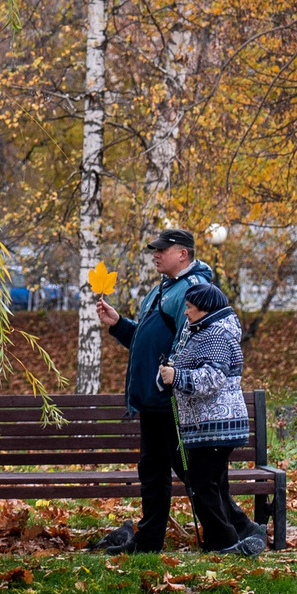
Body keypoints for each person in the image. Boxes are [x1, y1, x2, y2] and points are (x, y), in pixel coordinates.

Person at [90, 229, 218, 554]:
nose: (156, 254)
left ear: (183, 254)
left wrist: (170, 381)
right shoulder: (161, 290)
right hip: (152, 401)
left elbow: (187, 345)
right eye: (155, 249)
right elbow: (144, 341)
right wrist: (118, 323)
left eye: (163, 249)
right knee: (151, 472)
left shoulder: (192, 289)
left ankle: (228, 532)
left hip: (172, 400)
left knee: (189, 473)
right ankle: (148, 542)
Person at [161, 282, 265, 556]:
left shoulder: (216, 334)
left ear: (205, 309)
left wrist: (178, 377)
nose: (185, 313)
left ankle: (225, 541)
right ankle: (240, 532)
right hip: (207, 425)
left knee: (202, 484)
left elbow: (213, 378)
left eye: (190, 308)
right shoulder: (203, 331)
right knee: (213, 484)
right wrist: (172, 370)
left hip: (216, 425)